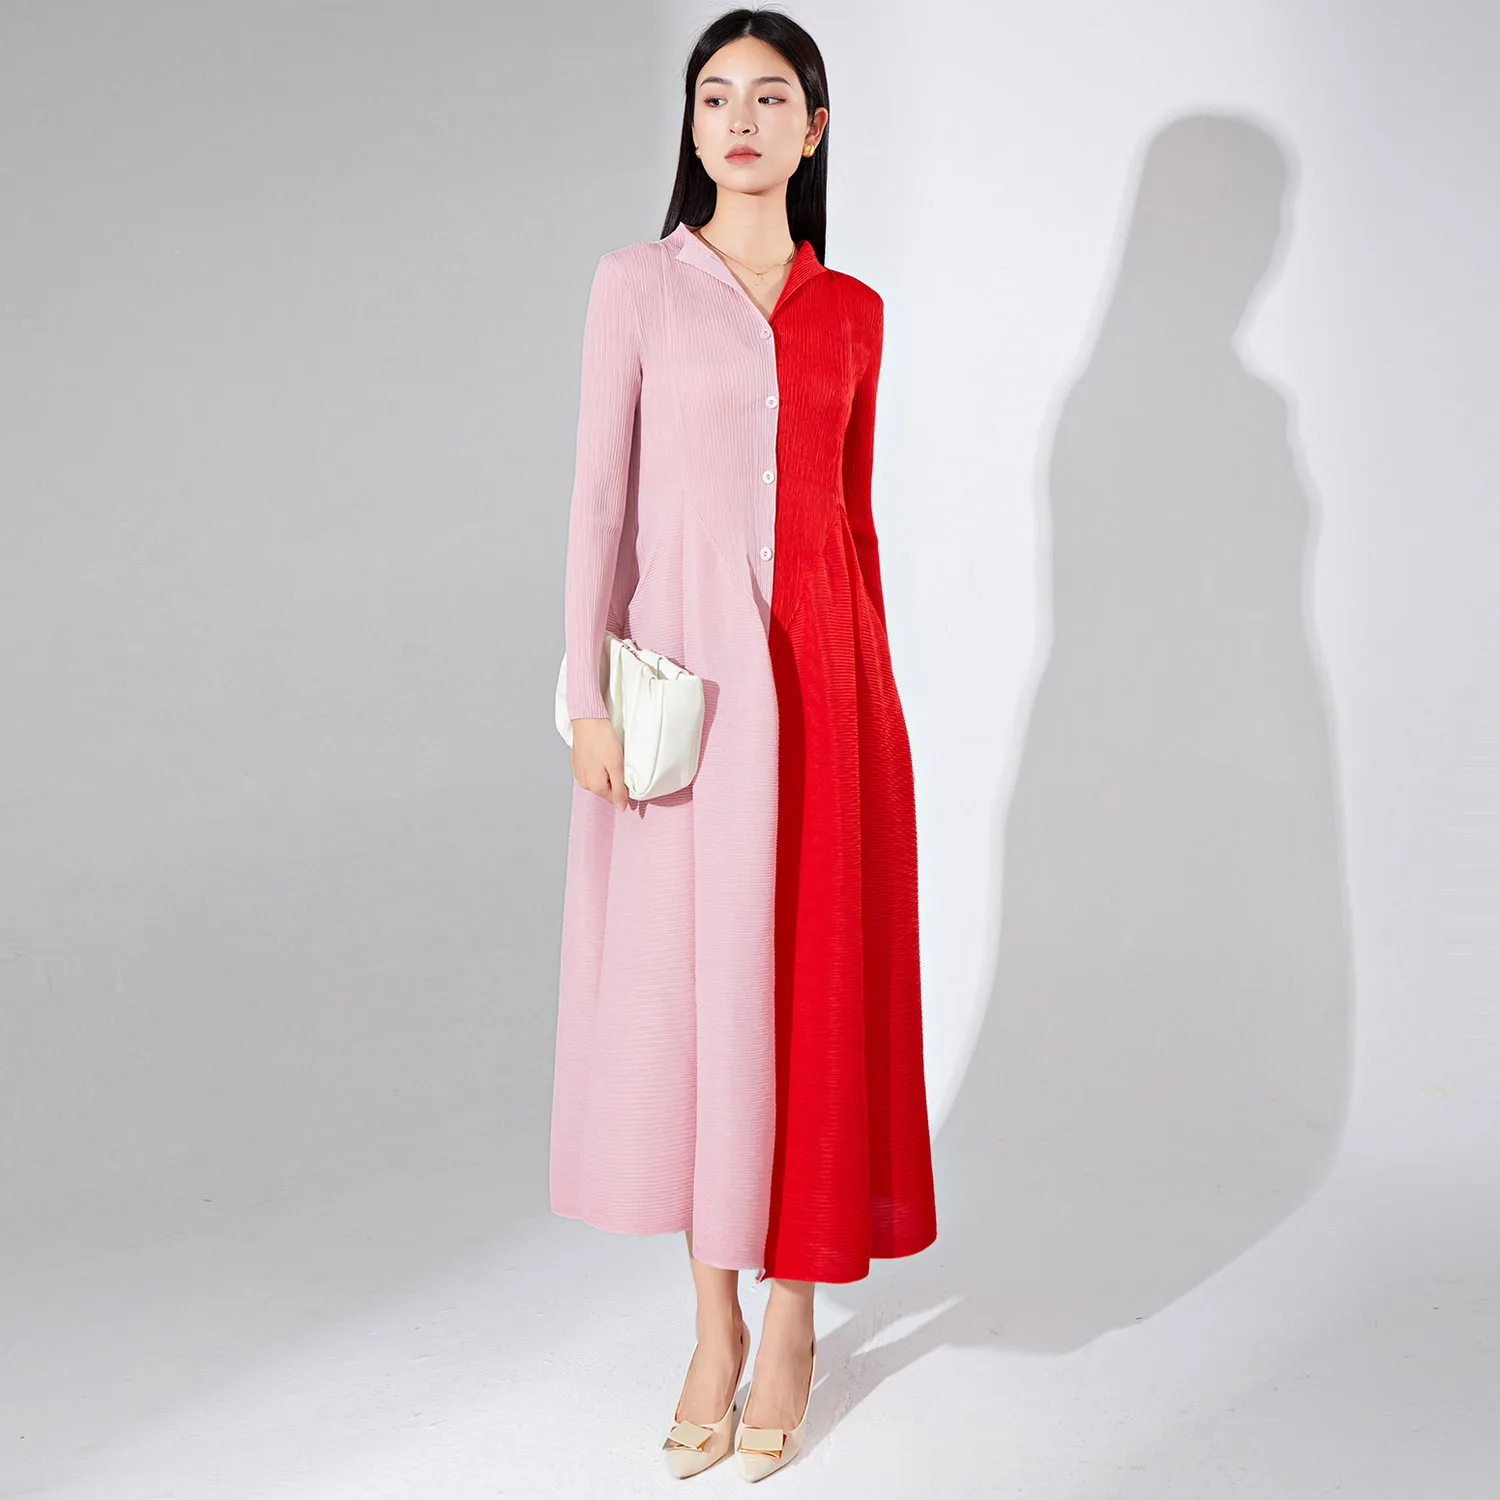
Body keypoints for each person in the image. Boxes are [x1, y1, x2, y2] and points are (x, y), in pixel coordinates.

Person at [550, 8, 937, 1480]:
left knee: (811, 999)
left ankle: (793, 1322)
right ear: (692, 123)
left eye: (772, 98)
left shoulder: (856, 313)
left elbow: (856, 523)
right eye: (717, 95)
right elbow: (598, 503)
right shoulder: (638, 288)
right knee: (703, 1002)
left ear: (814, 128)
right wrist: (587, 697)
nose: (742, 120)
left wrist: (877, 708)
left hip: (833, 696)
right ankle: (711, 1324)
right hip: (692, 698)